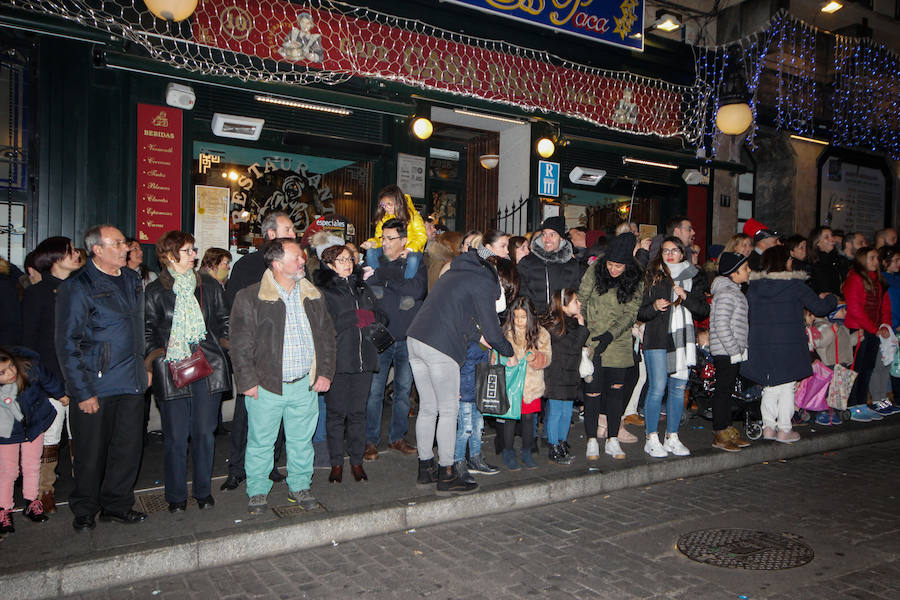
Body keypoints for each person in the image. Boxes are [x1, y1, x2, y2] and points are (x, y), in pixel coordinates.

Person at [229, 238, 336, 514]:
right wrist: (247, 381)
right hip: (266, 385)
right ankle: (257, 491)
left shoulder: (313, 294)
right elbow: (240, 344)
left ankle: (300, 485)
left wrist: (324, 372)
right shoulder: (250, 297)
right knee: (261, 443)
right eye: (296, 257)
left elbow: (327, 337)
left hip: (304, 385)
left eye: (301, 257)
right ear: (277, 264)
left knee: (302, 442)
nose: (302, 261)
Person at [56, 224, 149, 531]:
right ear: (97, 250)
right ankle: (85, 509)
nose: (126, 248)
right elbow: (67, 344)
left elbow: (139, 328)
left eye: (125, 243)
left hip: (132, 380)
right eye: (118, 244)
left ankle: (117, 505)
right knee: (90, 453)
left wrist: (145, 366)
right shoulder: (78, 286)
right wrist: (82, 391)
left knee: (127, 449)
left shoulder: (132, 279)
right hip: (97, 383)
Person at [406, 243, 514, 495]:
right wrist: (509, 350)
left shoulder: (456, 273)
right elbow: (492, 329)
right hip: (441, 347)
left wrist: (478, 336)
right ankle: (447, 473)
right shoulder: (484, 281)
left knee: (428, 408)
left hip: (416, 339)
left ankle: (425, 468)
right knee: (448, 410)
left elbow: (459, 317)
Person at [144, 231, 231, 513]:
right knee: (176, 437)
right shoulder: (155, 290)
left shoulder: (209, 285)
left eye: (194, 249)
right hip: (172, 368)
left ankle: (203, 491)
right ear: (170, 256)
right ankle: (176, 496)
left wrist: (223, 346)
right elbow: (147, 331)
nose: (194, 255)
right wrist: (158, 359)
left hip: (208, 366)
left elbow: (225, 321)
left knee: (204, 433)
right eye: (188, 250)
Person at [221, 211, 295, 491]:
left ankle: (271, 464)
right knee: (246, 412)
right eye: (288, 229)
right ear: (271, 234)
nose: (294, 234)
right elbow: (234, 310)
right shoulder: (248, 265)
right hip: (254, 353)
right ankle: (238, 467)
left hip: (286, 352)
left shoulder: (295, 264)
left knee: (280, 412)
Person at [742, 246, 837, 441]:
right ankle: (784, 429)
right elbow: (820, 308)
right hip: (788, 344)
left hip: (761, 343)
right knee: (787, 386)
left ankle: (768, 427)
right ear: (786, 262)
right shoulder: (795, 285)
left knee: (769, 386)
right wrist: (831, 298)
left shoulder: (754, 287)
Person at [21, 236, 83, 512]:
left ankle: (84, 484)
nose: (76, 254)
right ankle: (44, 489)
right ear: (55, 258)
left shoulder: (80, 289)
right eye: (70, 251)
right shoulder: (38, 293)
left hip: (79, 376)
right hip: (49, 377)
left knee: (81, 434)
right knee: (50, 435)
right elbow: (28, 343)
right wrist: (45, 382)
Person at [314, 244, 384, 483]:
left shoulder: (362, 287)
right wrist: (354, 316)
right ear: (329, 265)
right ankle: (336, 463)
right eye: (341, 260)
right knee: (336, 414)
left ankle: (356, 461)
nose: (347, 264)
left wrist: (369, 316)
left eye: (349, 259)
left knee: (358, 413)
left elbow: (382, 316)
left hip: (365, 359)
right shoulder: (324, 291)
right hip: (339, 360)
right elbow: (325, 326)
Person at [639, 236, 709, 458]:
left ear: (682, 253)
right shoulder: (653, 275)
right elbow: (640, 311)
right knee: (658, 387)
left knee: (678, 388)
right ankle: (651, 438)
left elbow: (703, 310)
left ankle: (672, 436)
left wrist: (685, 296)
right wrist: (654, 306)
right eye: (665, 251)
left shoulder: (694, 276)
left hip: (682, 342)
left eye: (674, 250)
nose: (669, 255)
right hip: (657, 338)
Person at [363, 219, 427, 461]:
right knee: (374, 391)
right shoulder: (374, 260)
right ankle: (370, 441)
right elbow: (368, 289)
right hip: (380, 336)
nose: (386, 243)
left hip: (407, 337)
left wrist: (385, 280)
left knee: (403, 391)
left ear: (404, 240)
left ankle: (397, 438)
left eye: (391, 238)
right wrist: (396, 282)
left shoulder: (415, 262)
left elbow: (417, 290)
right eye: (383, 238)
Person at [578, 233, 644, 461]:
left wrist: (610, 335)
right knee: (592, 391)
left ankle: (612, 439)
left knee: (616, 392)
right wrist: (585, 331)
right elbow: (582, 299)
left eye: (619, 266)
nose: (614, 270)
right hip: (592, 339)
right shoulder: (595, 269)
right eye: (611, 265)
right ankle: (591, 440)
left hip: (619, 341)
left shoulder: (636, 276)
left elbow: (631, 313)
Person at [454, 256, 518, 480]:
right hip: (465, 381)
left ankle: (475, 457)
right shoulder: (468, 320)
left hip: (479, 379)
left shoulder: (485, 316)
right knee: (465, 426)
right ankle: (458, 461)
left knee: (478, 424)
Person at [0, 347, 67, 532]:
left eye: (11, 366)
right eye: (3, 372)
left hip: (35, 424)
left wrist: (61, 394)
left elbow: (50, 380)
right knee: (8, 470)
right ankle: (4, 509)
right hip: (7, 432)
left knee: (32, 465)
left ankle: (32, 502)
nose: (11, 373)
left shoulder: (30, 368)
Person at [499, 296, 551, 471]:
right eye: (516, 317)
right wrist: (508, 359)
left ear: (531, 315)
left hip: (532, 384)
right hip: (511, 384)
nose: (519, 321)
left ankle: (527, 451)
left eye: (523, 317)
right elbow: (497, 356)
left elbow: (547, 357)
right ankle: (508, 452)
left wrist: (536, 357)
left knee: (529, 419)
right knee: (510, 419)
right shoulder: (507, 333)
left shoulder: (541, 333)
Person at [708, 252, 752, 452]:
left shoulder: (735, 292)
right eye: (745, 268)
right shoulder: (727, 293)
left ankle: (726, 427)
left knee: (728, 390)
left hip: (732, 350)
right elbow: (721, 324)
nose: (749, 271)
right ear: (733, 273)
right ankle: (720, 432)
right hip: (726, 351)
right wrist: (735, 350)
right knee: (723, 391)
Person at [842, 247, 892, 422]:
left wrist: (884, 326)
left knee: (868, 368)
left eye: (877, 258)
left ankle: (861, 403)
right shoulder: (855, 278)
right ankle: (851, 405)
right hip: (859, 330)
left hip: (873, 331)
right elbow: (855, 308)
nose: (876, 261)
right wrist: (873, 328)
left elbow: (884, 305)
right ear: (862, 259)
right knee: (855, 369)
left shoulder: (878, 280)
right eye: (872, 258)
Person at [541, 288, 589, 465]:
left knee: (567, 412)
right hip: (556, 374)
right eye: (575, 301)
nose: (579, 304)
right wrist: (582, 328)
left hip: (570, 374)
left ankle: (562, 443)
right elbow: (572, 347)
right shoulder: (555, 325)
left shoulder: (572, 323)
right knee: (556, 412)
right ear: (563, 305)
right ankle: (554, 446)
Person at [517, 216, 581, 314]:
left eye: (552, 235)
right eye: (544, 234)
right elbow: (520, 291)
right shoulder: (527, 262)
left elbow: (577, 292)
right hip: (535, 318)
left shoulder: (572, 264)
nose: (547, 240)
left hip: (562, 318)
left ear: (561, 238)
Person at [361, 185, 427, 279]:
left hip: (412, 248)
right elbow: (379, 238)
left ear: (398, 202)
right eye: (384, 205)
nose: (386, 208)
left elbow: (421, 236)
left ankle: (407, 281)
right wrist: (372, 243)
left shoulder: (413, 216)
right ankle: (375, 277)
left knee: (413, 259)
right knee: (371, 251)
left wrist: (409, 249)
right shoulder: (384, 218)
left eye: (389, 204)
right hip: (390, 248)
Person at [808, 226, 844, 295]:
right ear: (817, 243)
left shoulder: (838, 260)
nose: (832, 239)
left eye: (832, 236)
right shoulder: (814, 265)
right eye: (826, 237)